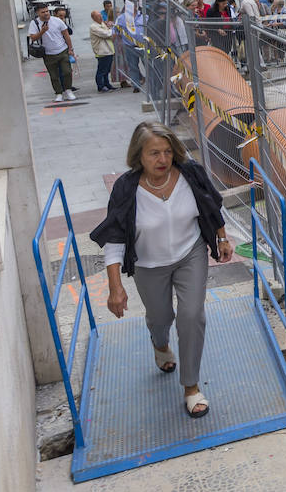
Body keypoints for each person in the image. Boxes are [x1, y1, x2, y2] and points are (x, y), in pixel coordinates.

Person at [91, 122, 233, 419]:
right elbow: (115, 240)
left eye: (168, 151)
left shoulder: (190, 174)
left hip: (190, 254)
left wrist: (221, 237)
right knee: (160, 317)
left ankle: (191, 387)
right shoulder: (126, 189)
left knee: (191, 315)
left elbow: (211, 206)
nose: (163, 159)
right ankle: (160, 343)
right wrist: (115, 287)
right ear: (138, 156)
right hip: (148, 264)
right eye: (154, 153)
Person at [28, 4, 77, 102]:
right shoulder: (34, 23)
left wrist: (70, 49)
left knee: (67, 71)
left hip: (62, 50)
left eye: (47, 11)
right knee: (54, 75)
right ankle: (58, 93)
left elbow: (66, 34)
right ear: (38, 13)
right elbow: (33, 38)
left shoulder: (57, 20)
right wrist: (42, 31)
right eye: (43, 12)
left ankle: (68, 90)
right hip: (48, 53)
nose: (46, 14)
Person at [115, 0, 146, 93]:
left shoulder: (144, 16)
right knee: (133, 66)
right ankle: (136, 85)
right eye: (130, 2)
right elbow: (115, 32)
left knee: (149, 65)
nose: (134, 4)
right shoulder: (121, 18)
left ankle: (153, 83)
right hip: (129, 46)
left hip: (144, 46)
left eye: (135, 2)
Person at [89, 9, 116, 92]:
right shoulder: (94, 26)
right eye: (98, 16)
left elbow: (108, 33)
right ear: (93, 18)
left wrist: (110, 30)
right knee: (101, 70)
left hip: (109, 50)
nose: (100, 17)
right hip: (102, 51)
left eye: (100, 16)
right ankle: (101, 86)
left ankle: (107, 84)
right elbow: (106, 34)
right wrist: (113, 30)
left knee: (107, 70)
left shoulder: (102, 24)